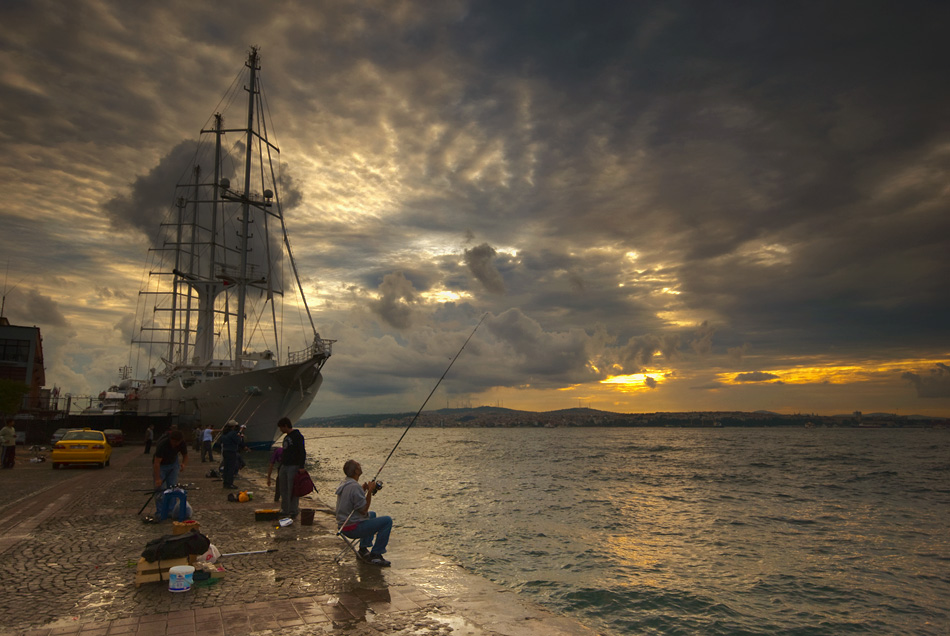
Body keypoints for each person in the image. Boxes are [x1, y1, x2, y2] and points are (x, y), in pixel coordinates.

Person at [335, 459, 393, 567]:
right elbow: (363, 510)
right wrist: (369, 492)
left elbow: (354, 501)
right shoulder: (354, 487)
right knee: (387, 521)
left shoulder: (346, 483)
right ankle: (376, 555)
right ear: (356, 471)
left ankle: (363, 549)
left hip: (343, 525)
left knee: (373, 514)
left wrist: (362, 490)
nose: (360, 466)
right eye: (358, 466)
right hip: (352, 529)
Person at [152, 429, 188, 517]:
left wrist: (183, 464)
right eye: (174, 442)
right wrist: (157, 479)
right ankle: (160, 512)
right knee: (160, 489)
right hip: (161, 465)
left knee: (172, 487)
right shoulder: (163, 444)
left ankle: (171, 511)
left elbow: (185, 455)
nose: (176, 444)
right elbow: (156, 463)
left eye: (178, 443)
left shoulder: (182, 443)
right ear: (171, 440)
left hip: (173, 463)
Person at [277, 418, 306, 519]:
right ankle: (285, 509)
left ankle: (293, 510)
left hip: (293, 466)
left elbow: (302, 451)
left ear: (285, 426)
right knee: (283, 488)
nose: (280, 430)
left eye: (281, 427)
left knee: (292, 489)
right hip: (284, 465)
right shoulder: (287, 437)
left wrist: (301, 466)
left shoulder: (297, 436)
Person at [219, 420, 241, 489]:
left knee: (226, 467)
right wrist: (239, 436)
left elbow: (221, 441)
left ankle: (225, 483)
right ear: (233, 426)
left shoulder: (224, 433)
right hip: (231, 451)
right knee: (231, 468)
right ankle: (230, 484)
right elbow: (238, 441)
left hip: (225, 451)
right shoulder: (233, 433)